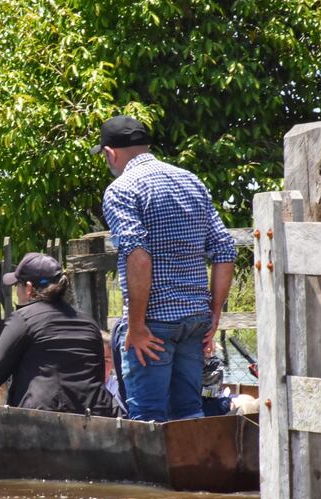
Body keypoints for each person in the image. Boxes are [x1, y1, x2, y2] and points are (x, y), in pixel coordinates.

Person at [91, 115, 236, 422]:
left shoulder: (121, 189)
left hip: (153, 324)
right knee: (190, 412)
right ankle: (193, 469)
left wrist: (138, 324)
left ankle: (150, 473)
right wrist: (214, 314)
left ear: (110, 153)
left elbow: (139, 257)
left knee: (148, 418)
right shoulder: (191, 181)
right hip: (195, 320)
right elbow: (224, 249)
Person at [0, 252, 114, 419]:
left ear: (28, 288)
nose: (16, 292)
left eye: (16, 286)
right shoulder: (89, 323)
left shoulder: (24, 318)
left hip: (43, 418)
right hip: (96, 414)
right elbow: (97, 377)